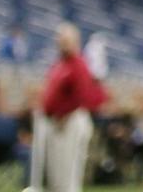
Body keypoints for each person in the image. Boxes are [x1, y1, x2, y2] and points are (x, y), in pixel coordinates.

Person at [39, 24, 105, 192]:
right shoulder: (59, 64)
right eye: (60, 39)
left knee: (68, 174)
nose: (61, 43)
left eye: (65, 40)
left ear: (76, 41)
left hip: (70, 121)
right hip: (56, 121)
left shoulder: (78, 64)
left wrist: (64, 115)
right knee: (56, 175)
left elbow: (82, 95)